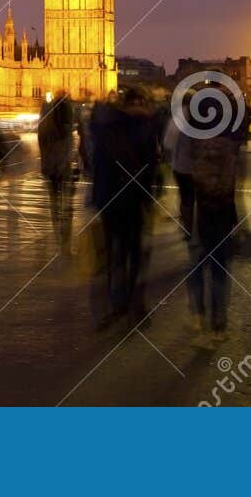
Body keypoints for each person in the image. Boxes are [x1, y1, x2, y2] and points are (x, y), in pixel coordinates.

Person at [86, 87, 160, 330]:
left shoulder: (106, 127)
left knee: (115, 254)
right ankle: (134, 305)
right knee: (135, 253)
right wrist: (150, 196)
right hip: (133, 197)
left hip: (109, 197)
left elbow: (94, 159)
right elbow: (150, 165)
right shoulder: (144, 127)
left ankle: (118, 304)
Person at [185, 89, 251, 332]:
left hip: (201, 206)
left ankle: (199, 313)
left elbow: (186, 167)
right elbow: (237, 181)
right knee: (221, 265)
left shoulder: (194, 137)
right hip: (224, 205)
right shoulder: (231, 142)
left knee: (197, 261)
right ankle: (219, 319)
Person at [37, 94, 77, 251]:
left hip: (52, 167)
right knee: (65, 201)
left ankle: (60, 231)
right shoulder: (65, 125)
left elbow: (43, 145)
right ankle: (64, 233)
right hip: (61, 166)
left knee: (55, 200)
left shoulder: (46, 124)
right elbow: (69, 147)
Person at [160, 92, 195, 240]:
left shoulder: (178, 119)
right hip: (201, 165)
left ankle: (188, 229)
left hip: (182, 165)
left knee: (186, 198)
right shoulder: (205, 117)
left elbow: (168, 143)